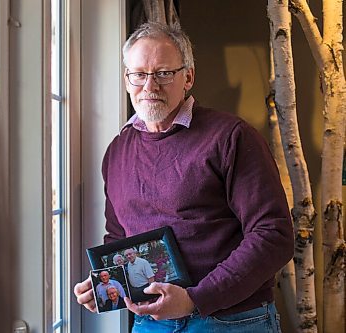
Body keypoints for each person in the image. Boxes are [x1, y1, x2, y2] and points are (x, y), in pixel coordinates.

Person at [74, 22, 293, 332]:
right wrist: (105, 285)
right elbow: (119, 240)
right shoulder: (117, 150)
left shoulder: (231, 137)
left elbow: (274, 235)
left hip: (231, 321)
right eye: (138, 74)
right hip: (151, 323)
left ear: (188, 77)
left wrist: (195, 298)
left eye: (164, 73)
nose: (149, 86)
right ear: (127, 80)